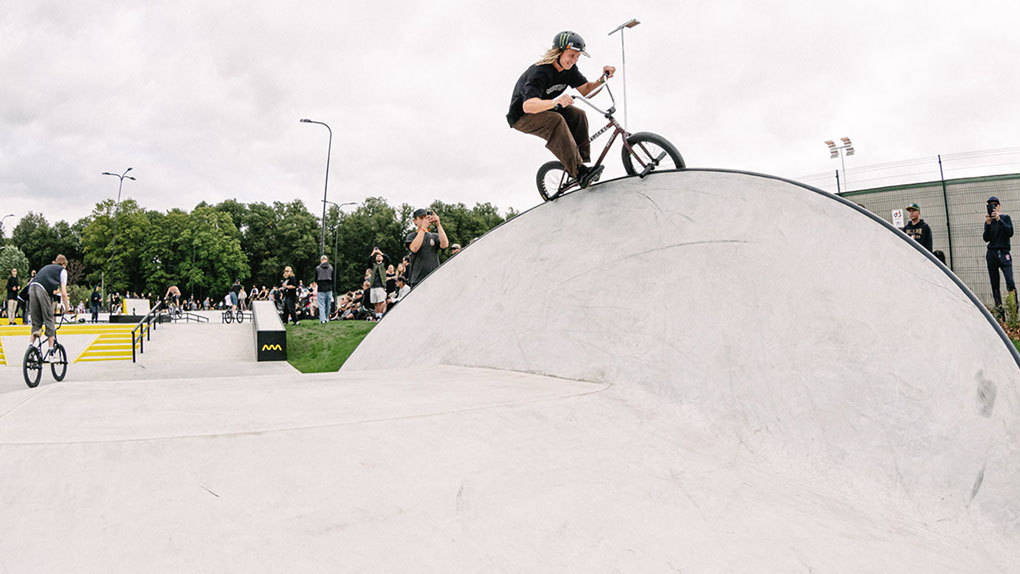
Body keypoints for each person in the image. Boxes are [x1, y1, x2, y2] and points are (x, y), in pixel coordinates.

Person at [507, 31, 616, 189]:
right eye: (571, 55)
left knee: (578, 115)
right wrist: (555, 102)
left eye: (577, 57)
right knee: (555, 121)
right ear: (558, 52)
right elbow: (528, 105)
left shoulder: (569, 70)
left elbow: (587, 90)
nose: (573, 60)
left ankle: (580, 164)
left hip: (544, 108)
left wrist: (602, 78)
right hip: (522, 116)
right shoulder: (540, 71)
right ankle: (579, 172)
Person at [26, 255, 71, 360]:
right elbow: (64, 293)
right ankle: (51, 352)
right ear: (64, 264)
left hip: (32, 288)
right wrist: (67, 308)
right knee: (49, 320)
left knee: (36, 323)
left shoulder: (47, 268)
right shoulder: (62, 271)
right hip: (42, 290)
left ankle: (30, 348)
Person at [983, 196, 1015, 316]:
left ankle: (1014, 311)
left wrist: (999, 219)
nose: (993, 207)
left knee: (1010, 282)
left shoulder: (1006, 218)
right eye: (990, 205)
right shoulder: (988, 222)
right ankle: (1000, 313)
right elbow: (986, 238)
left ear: (999, 206)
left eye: (995, 205)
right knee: (995, 284)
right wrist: (988, 224)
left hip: (1004, 253)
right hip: (992, 254)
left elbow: (1010, 232)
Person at [405, 208, 449, 288]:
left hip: (434, 277)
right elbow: (414, 248)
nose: (424, 220)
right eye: (421, 218)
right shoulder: (412, 236)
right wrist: (423, 227)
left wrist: (438, 224)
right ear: (415, 221)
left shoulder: (434, 236)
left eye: (425, 217)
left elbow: (445, 245)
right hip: (418, 279)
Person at [367, 247, 391, 319]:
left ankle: (380, 316)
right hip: (373, 285)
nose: (378, 257)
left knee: (380, 301)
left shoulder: (384, 265)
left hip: (380, 285)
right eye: (377, 256)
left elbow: (388, 259)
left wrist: (380, 252)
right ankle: (377, 316)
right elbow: (368, 261)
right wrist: (373, 253)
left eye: (379, 256)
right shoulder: (373, 266)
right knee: (375, 302)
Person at [314, 255, 334, 324]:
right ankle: (327, 318)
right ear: (327, 260)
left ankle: (322, 319)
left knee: (321, 305)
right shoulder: (331, 268)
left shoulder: (317, 268)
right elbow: (333, 278)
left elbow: (316, 279)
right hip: (329, 288)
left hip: (321, 288)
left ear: (321, 260)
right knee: (328, 304)